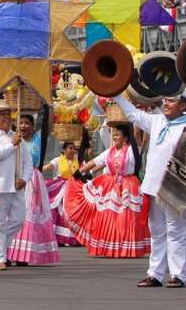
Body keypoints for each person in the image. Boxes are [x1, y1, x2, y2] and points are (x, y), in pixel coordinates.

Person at [114, 91, 186, 288]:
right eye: (166, 100)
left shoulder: (185, 126)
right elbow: (133, 114)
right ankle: (155, 274)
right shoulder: (157, 121)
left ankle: (178, 275)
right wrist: (116, 94)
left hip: (174, 187)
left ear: (183, 106)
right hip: (153, 186)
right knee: (157, 231)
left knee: (176, 231)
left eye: (172, 100)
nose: (166, 103)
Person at [64, 124, 150, 258]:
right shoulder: (110, 151)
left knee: (127, 217)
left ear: (126, 138)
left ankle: (126, 248)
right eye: (113, 135)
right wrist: (78, 172)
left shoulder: (132, 149)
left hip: (128, 186)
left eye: (117, 135)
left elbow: (138, 137)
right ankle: (109, 247)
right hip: (110, 186)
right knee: (107, 216)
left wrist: (136, 119)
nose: (114, 137)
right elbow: (95, 161)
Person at [0, 100, 33, 271]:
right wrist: (12, 144)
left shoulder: (15, 136)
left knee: (18, 219)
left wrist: (24, 178)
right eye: (1, 115)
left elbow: (27, 162)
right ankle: (0, 258)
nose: (6, 118)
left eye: (7, 115)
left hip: (15, 186)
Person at [7, 115, 59, 266]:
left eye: (27, 123)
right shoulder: (12, 138)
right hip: (16, 178)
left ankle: (23, 254)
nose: (23, 126)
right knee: (13, 215)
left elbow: (48, 124)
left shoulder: (38, 139)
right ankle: (8, 252)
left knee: (29, 215)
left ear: (32, 126)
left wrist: (47, 107)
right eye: (20, 123)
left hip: (33, 180)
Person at [42, 142, 82, 246]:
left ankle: (73, 237)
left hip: (73, 187)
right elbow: (46, 167)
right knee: (57, 210)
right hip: (59, 187)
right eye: (70, 148)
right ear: (64, 150)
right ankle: (58, 237)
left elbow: (83, 172)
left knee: (72, 210)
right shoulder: (57, 160)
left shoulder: (78, 161)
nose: (72, 150)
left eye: (73, 148)